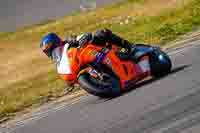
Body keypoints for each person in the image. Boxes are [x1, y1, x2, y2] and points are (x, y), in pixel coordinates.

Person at [40, 29, 150, 86]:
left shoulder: (69, 41)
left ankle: (131, 47)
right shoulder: (59, 62)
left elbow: (82, 36)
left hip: (97, 50)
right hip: (87, 62)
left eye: (49, 46)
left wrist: (84, 38)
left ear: (55, 41)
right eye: (46, 50)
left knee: (102, 33)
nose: (48, 50)